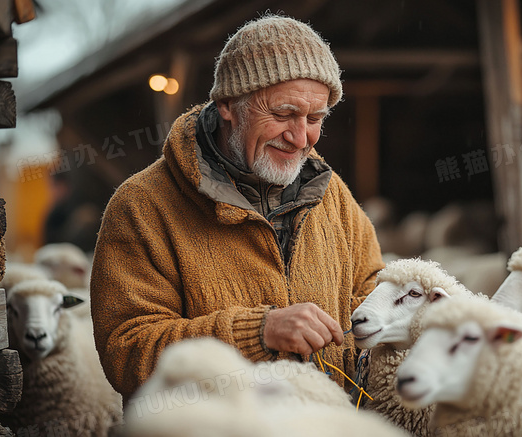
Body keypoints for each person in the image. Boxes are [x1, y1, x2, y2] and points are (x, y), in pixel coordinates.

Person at [90, 14, 384, 401]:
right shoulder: (143, 206)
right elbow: (126, 352)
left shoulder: (333, 197)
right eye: (283, 114)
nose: (300, 138)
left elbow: (373, 300)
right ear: (228, 104)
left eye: (315, 119)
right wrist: (257, 333)